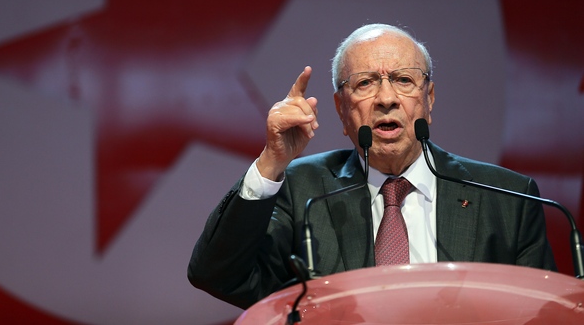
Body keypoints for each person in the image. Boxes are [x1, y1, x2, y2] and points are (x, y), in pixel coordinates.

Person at [188, 23, 556, 310]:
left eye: (403, 80)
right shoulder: (302, 191)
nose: (386, 98)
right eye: (365, 83)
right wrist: (272, 160)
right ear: (341, 109)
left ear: (429, 99)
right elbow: (218, 274)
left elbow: (544, 313)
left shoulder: (508, 199)